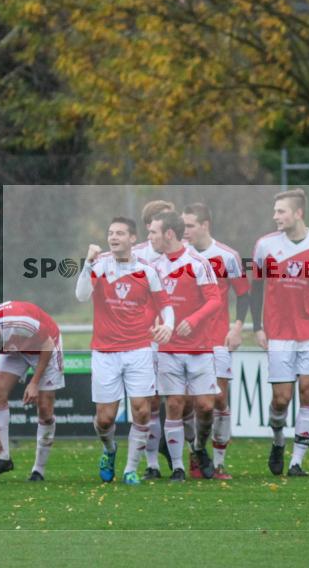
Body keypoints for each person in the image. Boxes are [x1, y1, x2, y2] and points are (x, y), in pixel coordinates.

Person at [251, 189, 309, 477]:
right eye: (275, 211)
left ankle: (297, 461)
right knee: (281, 399)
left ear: (298, 213)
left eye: (281, 211)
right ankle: (278, 441)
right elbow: (255, 288)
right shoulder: (265, 246)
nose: (275, 216)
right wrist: (257, 327)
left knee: (308, 391)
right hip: (278, 332)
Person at [76, 217, 174, 484]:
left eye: (120, 233)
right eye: (110, 233)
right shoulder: (99, 264)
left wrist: (169, 325)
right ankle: (109, 450)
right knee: (105, 419)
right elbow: (82, 295)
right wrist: (86, 264)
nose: (114, 237)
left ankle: (131, 468)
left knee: (142, 410)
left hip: (138, 349)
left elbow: (165, 304)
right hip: (105, 352)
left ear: (133, 238)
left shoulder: (147, 269)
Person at [149, 210, 222, 481]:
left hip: (200, 347)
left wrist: (192, 320)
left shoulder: (198, 263)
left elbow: (214, 300)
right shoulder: (154, 267)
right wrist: (152, 326)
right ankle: (178, 467)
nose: (150, 238)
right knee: (176, 404)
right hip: (169, 348)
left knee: (204, 406)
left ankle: (199, 447)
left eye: (154, 232)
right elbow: (149, 305)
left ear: (169, 234)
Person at [182, 203, 250, 479]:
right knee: (188, 403)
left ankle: (219, 462)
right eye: (182, 226)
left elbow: (244, 294)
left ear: (205, 225)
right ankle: (195, 454)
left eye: (189, 226)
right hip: (185, 341)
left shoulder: (227, 256)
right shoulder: (177, 256)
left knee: (218, 400)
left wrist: (237, 327)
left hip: (217, 339)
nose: (184, 232)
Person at [0, 301, 64, 481]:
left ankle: (38, 470)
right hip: (15, 348)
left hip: (45, 345)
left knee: (45, 410)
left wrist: (34, 382)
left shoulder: (18, 323)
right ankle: (4, 458)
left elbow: (47, 344)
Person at [131, 200, 179, 478]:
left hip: (176, 338)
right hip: (144, 338)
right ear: (151, 226)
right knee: (149, 402)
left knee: (179, 401)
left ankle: (183, 455)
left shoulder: (182, 254)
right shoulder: (135, 255)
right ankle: (152, 464)